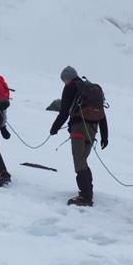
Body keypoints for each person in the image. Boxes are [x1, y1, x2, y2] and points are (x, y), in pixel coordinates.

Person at [50, 66, 108, 206]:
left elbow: (64, 112)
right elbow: (102, 114)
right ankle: (88, 190)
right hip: (93, 128)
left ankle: (85, 196)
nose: (64, 82)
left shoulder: (70, 87)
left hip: (78, 128)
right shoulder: (89, 89)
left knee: (79, 161)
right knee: (82, 160)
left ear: (67, 78)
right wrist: (105, 136)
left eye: (64, 79)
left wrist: (54, 128)